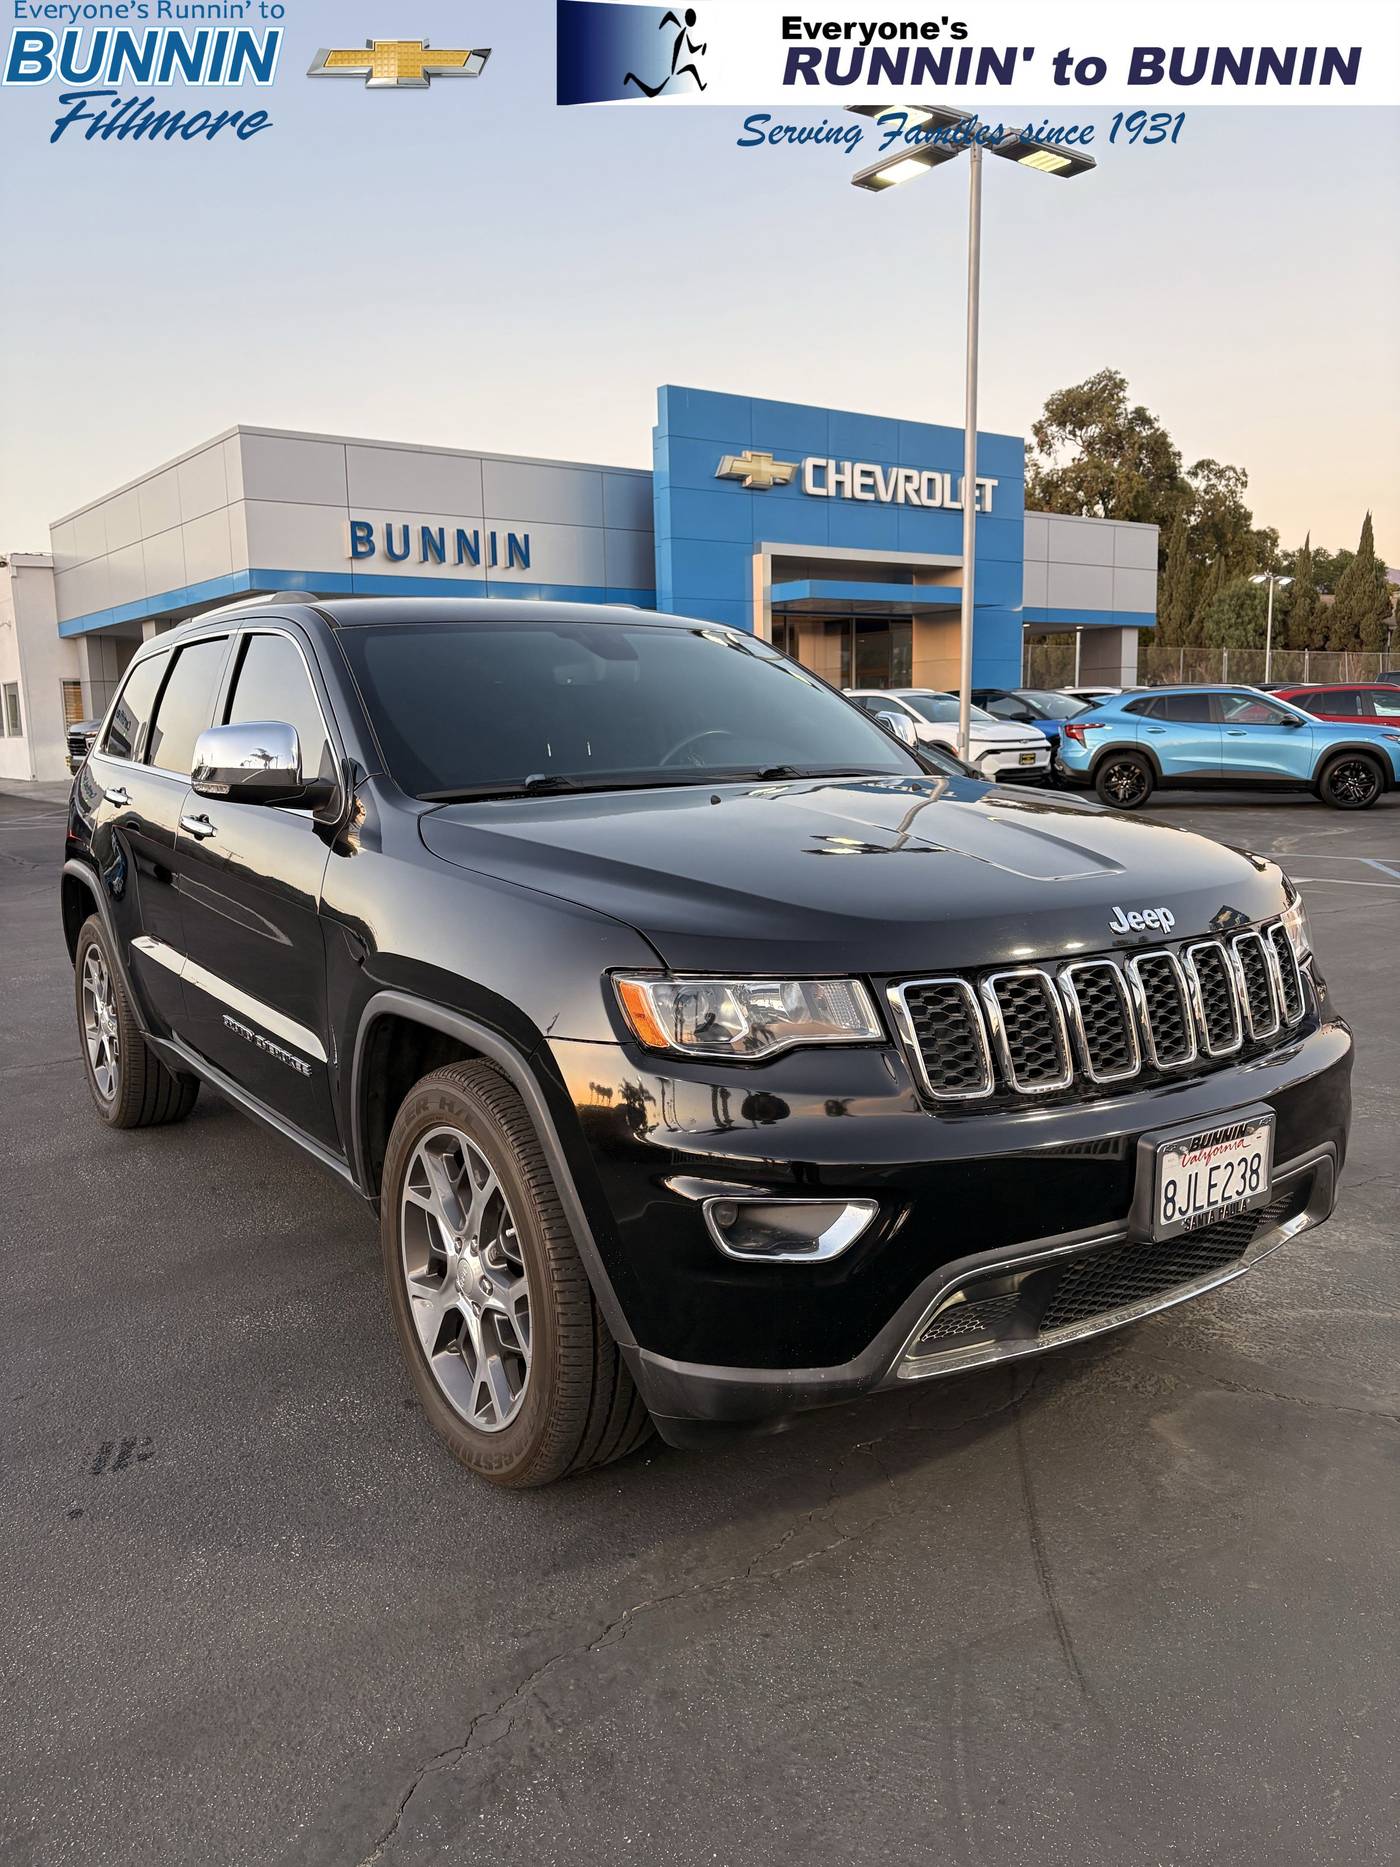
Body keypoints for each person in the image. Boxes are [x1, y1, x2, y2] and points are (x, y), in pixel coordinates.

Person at [624, 8, 707, 96]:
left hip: (671, 66)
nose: (693, 21)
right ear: (687, 18)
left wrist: (701, 47)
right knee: (652, 92)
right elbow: (669, 15)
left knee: (652, 92)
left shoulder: (683, 30)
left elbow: (691, 48)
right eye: (692, 19)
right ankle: (632, 77)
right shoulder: (680, 28)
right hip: (669, 67)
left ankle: (632, 77)